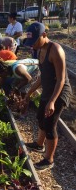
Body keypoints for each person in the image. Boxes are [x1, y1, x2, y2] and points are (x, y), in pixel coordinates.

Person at [23, 22, 72, 171]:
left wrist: (52, 101)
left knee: (50, 124)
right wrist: (29, 93)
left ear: (44, 35)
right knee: (40, 118)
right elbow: (41, 77)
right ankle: (39, 145)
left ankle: (49, 160)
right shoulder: (38, 50)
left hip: (60, 92)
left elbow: (61, 79)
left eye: (35, 41)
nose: (33, 45)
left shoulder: (56, 50)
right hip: (48, 91)